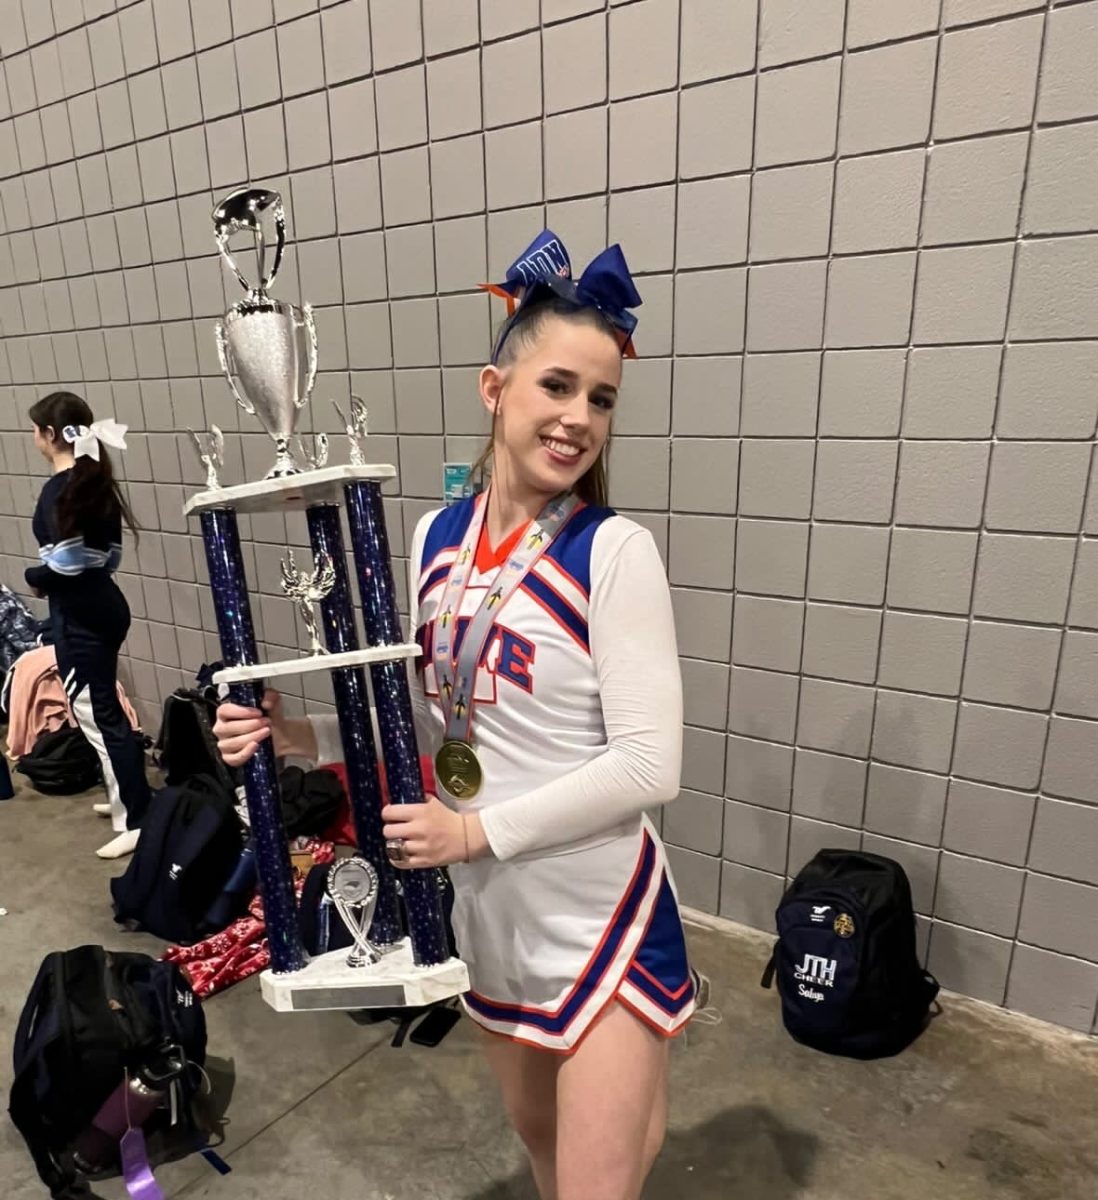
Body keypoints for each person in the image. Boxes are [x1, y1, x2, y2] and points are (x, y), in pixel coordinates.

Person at [213, 232, 701, 1200]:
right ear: (496, 388)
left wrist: (472, 829)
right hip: (491, 919)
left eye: (601, 399)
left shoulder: (617, 553)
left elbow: (652, 768)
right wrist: (294, 734)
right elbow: (432, 724)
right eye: (557, 386)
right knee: (548, 1160)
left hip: (601, 916)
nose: (578, 419)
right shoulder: (436, 537)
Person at [27, 392, 150, 859]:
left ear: (51, 435)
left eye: (36, 429)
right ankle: (127, 800)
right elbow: (108, 556)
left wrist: (34, 577)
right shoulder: (93, 482)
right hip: (104, 606)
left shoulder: (62, 487)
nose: (33, 438)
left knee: (99, 717)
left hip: (81, 614)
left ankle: (136, 816)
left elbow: (69, 561)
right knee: (102, 713)